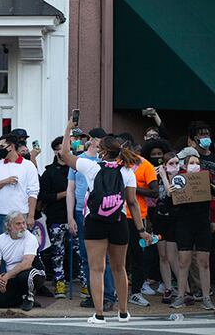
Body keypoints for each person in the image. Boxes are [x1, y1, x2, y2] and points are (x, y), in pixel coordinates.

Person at [60, 117, 152, 325]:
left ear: (103, 152)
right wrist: (140, 229)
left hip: (95, 221)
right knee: (119, 268)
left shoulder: (91, 167)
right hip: (119, 221)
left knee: (96, 268)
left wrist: (68, 128)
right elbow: (132, 203)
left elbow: (65, 155)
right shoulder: (128, 171)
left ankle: (99, 314)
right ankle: (123, 312)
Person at [66, 128, 111, 305]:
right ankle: (94, 295)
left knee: (103, 257)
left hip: (100, 212)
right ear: (91, 140)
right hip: (80, 212)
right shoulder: (79, 161)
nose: (99, 143)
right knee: (85, 256)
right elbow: (70, 189)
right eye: (97, 139)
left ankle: (107, 295)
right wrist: (70, 217)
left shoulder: (106, 161)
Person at [39, 137, 82, 299]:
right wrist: (66, 193)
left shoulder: (77, 169)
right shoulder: (49, 172)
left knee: (80, 252)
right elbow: (44, 196)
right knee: (57, 253)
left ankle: (86, 284)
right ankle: (59, 284)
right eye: (57, 148)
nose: (61, 150)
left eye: (63, 147)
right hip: (56, 218)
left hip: (76, 217)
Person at [169, 154, 214, 310]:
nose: (194, 165)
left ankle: (206, 297)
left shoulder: (207, 180)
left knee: (204, 262)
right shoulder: (179, 180)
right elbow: (171, 200)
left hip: (202, 224)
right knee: (183, 261)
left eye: (197, 163)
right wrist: (171, 191)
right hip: (184, 224)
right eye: (191, 163)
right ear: (185, 165)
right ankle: (181, 295)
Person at [122, 137, 159, 307]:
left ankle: (136, 292)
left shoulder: (146, 166)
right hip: (118, 216)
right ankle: (117, 291)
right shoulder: (117, 164)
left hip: (138, 218)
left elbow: (154, 192)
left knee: (138, 256)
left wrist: (133, 189)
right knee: (119, 257)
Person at [0, 131, 39, 238]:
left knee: (19, 248)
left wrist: (31, 216)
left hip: (20, 214)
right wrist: (5, 181)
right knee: (0, 248)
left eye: (2, 146)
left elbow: (33, 192)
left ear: (12, 146)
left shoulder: (28, 166)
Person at [0, 211, 45, 310]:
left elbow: (27, 263)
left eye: (23, 223)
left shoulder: (30, 238)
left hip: (34, 271)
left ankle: (29, 297)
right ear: (9, 226)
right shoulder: (0, 240)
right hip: (12, 275)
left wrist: (6, 276)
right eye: (18, 224)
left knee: (24, 276)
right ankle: (20, 299)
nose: (23, 226)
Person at [153, 152, 182, 304]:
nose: (174, 166)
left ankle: (185, 289)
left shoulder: (181, 178)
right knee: (162, 256)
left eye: (176, 163)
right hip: (159, 219)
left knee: (173, 257)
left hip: (174, 220)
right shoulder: (158, 177)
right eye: (171, 163)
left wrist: (165, 175)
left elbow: (171, 193)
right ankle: (168, 288)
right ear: (164, 165)